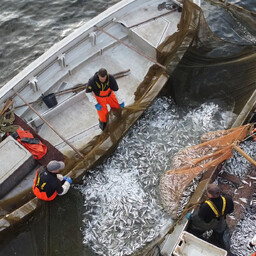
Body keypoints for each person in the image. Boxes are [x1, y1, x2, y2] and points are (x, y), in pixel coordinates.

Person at [187, 183, 234, 249]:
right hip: (221, 220)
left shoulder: (206, 206)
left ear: (210, 195)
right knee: (220, 231)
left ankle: (195, 234)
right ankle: (215, 238)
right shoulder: (227, 199)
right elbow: (231, 210)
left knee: (196, 228)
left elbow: (201, 217)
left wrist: (191, 217)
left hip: (209, 223)